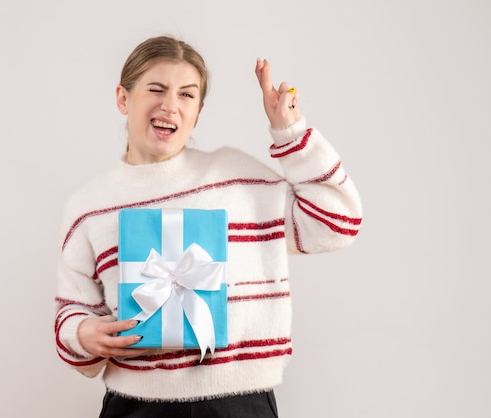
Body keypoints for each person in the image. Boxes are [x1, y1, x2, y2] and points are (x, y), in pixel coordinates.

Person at [54, 35, 362, 417]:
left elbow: (337, 223)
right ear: (122, 98)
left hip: (240, 405)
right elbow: (72, 316)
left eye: (187, 95)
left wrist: (291, 132)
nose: (170, 105)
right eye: (156, 89)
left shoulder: (236, 177)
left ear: (198, 111)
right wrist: (83, 335)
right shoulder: (89, 207)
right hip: (135, 407)